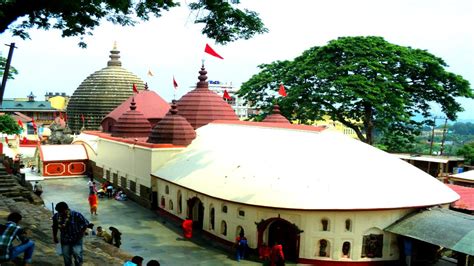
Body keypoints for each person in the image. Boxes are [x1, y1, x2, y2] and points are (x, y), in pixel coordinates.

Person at [52, 201, 90, 266]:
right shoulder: (56, 216)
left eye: (61, 211)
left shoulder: (76, 215)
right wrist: (55, 236)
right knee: (66, 255)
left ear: (66, 209)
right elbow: (55, 226)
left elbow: (85, 223)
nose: (60, 213)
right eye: (59, 212)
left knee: (77, 253)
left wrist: (81, 234)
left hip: (76, 238)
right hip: (65, 239)